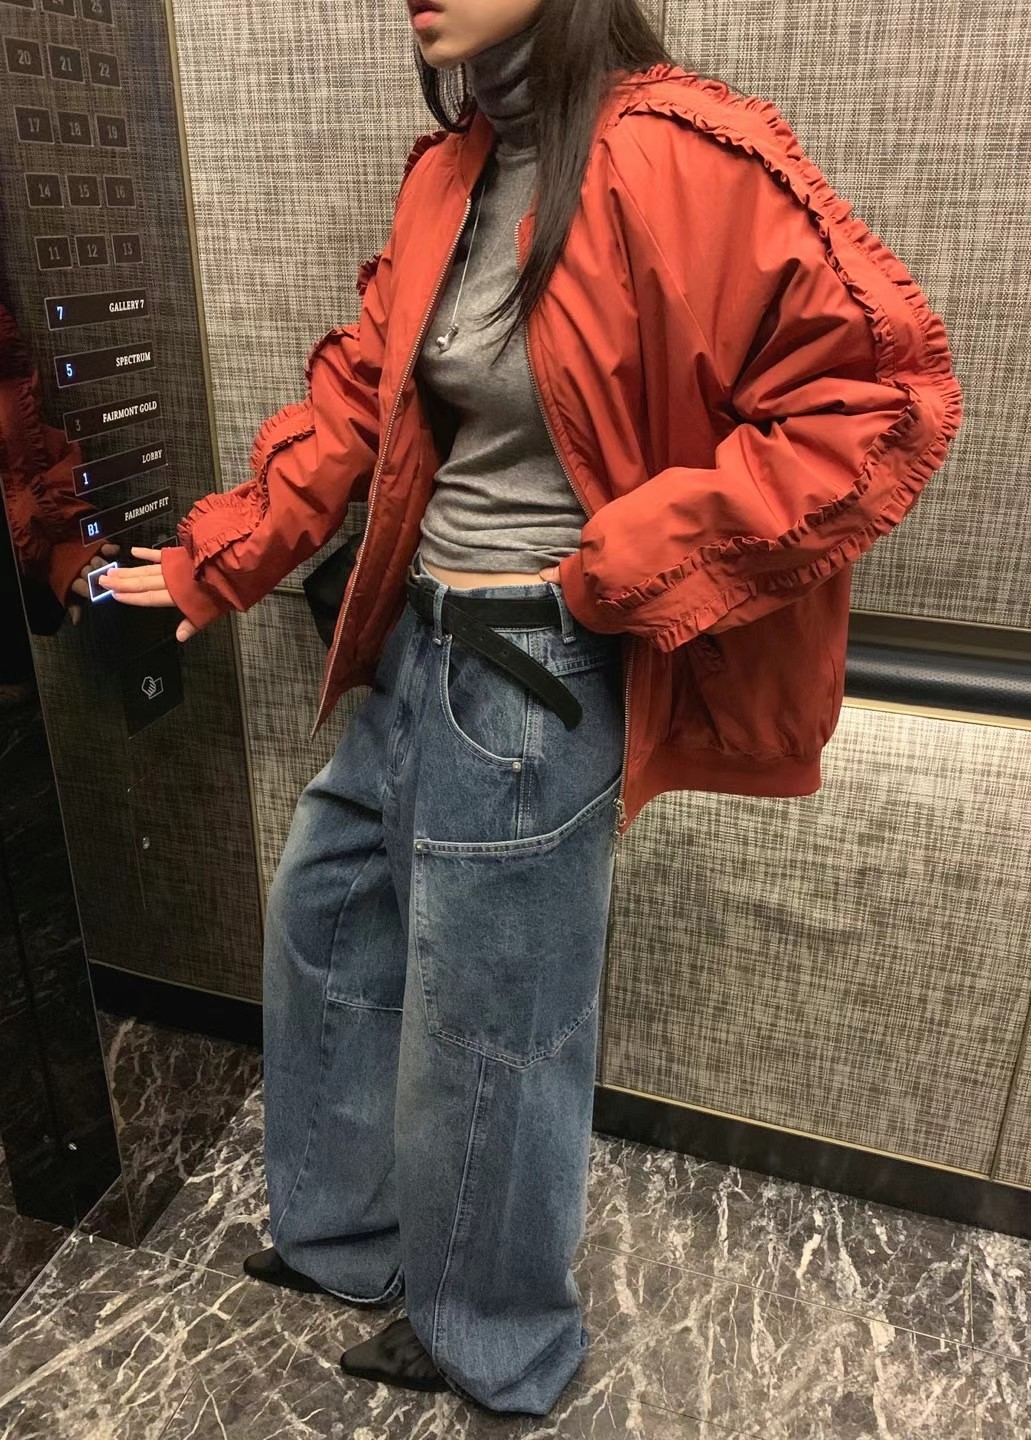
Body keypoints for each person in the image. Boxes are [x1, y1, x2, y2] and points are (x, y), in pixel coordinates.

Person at [101, 0, 963, 1417]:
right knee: (328, 922)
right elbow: (365, 391)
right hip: (416, 636)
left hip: (528, 653)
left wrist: (624, 564)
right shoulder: (460, 165)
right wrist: (222, 557)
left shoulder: (681, 153)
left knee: (493, 1017)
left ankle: (494, 1340)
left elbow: (879, 397)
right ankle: (349, 1240)